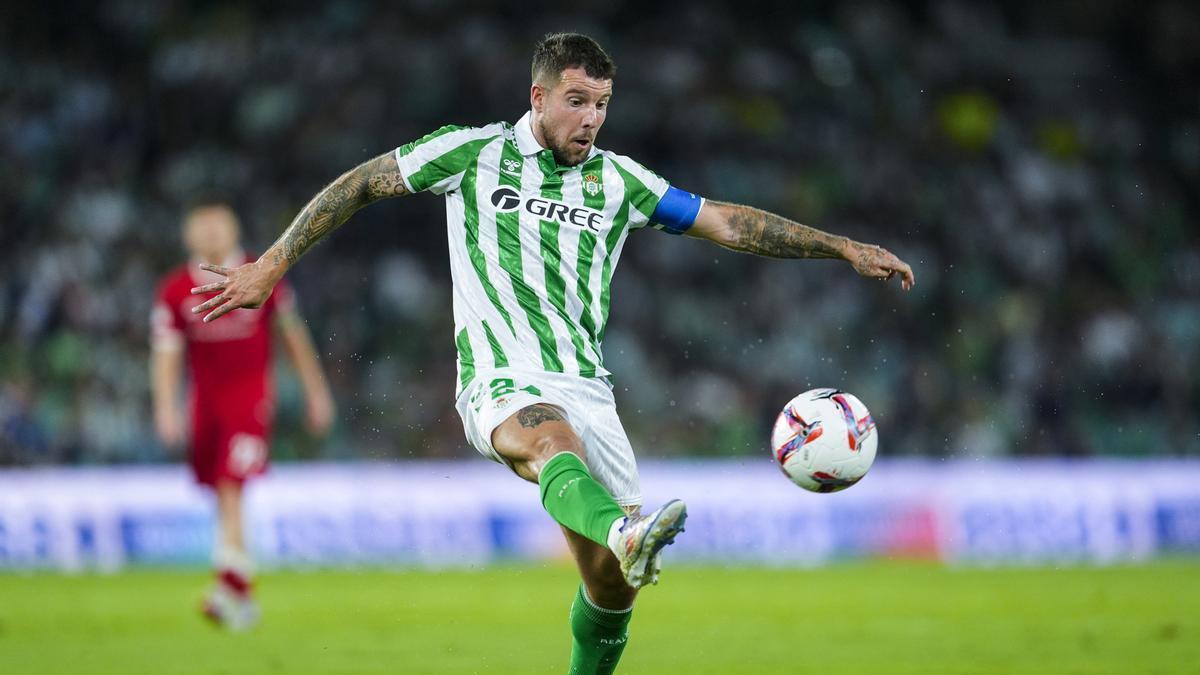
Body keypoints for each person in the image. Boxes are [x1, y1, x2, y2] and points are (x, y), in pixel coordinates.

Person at [189, 33, 913, 671]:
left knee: (609, 587)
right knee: (548, 440)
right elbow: (362, 183)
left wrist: (841, 247)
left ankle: (617, 547)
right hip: (500, 376)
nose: (591, 118)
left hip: (588, 385)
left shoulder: (621, 180)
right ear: (538, 96)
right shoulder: (472, 152)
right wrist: (274, 262)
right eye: (576, 100)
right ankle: (628, 529)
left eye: (601, 103)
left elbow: (727, 222)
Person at [150, 202, 335, 630]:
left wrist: (316, 392)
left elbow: (294, 337)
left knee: (232, 486)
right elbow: (166, 356)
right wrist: (165, 407)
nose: (212, 233)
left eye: (219, 224)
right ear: (188, 234)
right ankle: (240, 592)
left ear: (234, 229)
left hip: (250, 400)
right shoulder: (175, 290)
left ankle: (228, 583)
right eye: (202, 225)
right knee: (221, 490)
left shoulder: (260, 273)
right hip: (205, 405)